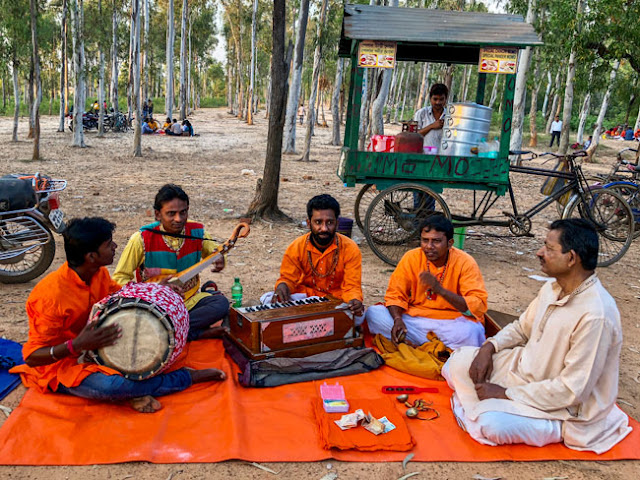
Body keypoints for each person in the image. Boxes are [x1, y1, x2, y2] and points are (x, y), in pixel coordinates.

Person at [443, 219, 632, 453]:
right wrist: (488, 348)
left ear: (571, 258)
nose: (539, 253)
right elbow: (522, 328)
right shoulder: (551, 288)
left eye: (549, 249)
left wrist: (506, 393)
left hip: (562, 407)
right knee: (456, 362)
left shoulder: (596, 315)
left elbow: (572, 390)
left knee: (491, 425)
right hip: (523, 374)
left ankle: (549, 427)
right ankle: (477, 405)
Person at [10, 217, 226, 414]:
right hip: (64, 366)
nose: (114, 247)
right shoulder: (50, 297)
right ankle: (186, 377)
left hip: (101, 346)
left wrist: (158, 287)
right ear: (91, 256)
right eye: (108, 244)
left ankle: (191, 334)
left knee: (153, 330)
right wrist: (76, 345)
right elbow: (31, 357)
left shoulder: (98, 273)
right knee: (114, 387)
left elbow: (125, 295)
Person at [113, 184, 230, 341]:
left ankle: (166, 333)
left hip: (189, 302)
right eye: (171, 214)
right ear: (157, 214)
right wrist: (154, 289)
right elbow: (119, 279)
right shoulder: (141, 239)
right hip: (156, 307)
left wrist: (220, 258)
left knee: (220, 303)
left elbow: (214, 251)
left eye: (183, 212)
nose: (179, 219)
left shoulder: (197, 232)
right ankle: (191, 333)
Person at [365, 213, 488, 350]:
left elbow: (477, 305)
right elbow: (395, 295)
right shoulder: (411, 258)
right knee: (374, 314)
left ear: (449, 243)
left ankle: (421, 344)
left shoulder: (465, 262)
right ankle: (435, 346)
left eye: (436, 241)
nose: (429, 246)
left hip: (451, 323)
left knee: (473, 332)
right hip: (415, 321)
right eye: (425, 240)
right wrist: (397, 320)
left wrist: (440, 290)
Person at [261, 194, 364, 319]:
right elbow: (288, 278)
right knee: (267, 299)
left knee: (359, 317)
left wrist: (354, 301)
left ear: (337, 224)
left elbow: (352, 286)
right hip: (305, 298)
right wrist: (283, 286)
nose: (324, 228)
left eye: (330, 222)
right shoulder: (297, 246)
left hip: (336, 301)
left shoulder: (350, 248)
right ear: (309, 223)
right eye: (318, 222)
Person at [413, 83, 448, 152]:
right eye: (435, 99)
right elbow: (414, 136)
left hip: (443, 158)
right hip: (424, 156)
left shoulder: (450, 116)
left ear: (446, 99)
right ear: (430, 98)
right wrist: (431, 126)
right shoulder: (421, 113)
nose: (438, 102)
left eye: (441, 99)